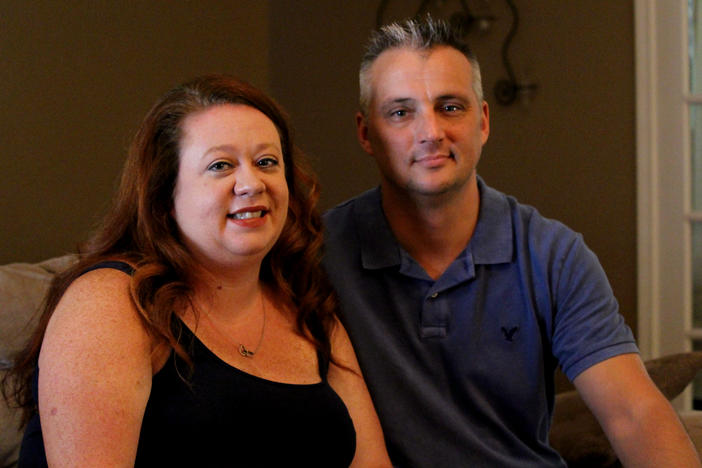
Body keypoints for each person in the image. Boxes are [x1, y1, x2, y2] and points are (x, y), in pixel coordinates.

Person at [322, 17, 702, 467]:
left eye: (450, 107)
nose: (430, 133)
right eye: (401, 113)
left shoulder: (553, 255)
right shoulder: (318, 254)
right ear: (367, 133)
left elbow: (634, 415)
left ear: (482, 121)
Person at [2, 74, 392, 467]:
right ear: (165, 196)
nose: (251, 183)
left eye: (267, 162)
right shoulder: (111, 302)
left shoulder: (309, 307)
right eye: (221, 165)